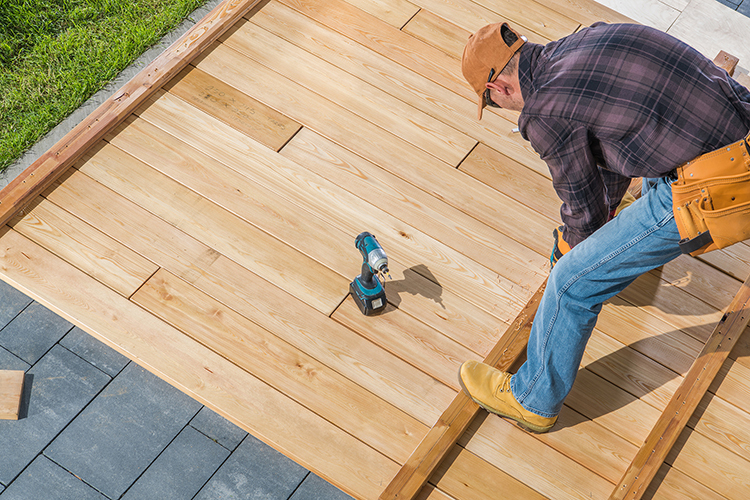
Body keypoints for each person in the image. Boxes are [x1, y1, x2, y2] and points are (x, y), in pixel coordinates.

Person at [457, 21, 750, 433]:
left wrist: (573, 250)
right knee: (637, 181)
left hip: (722, 183)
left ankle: (533, 399)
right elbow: (609, 153)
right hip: (737, 125)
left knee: (572, 284)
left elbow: (583, 210)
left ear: (497, 89)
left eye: (494, 104)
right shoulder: (587, 37)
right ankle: (636, 249)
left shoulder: (543, 111)